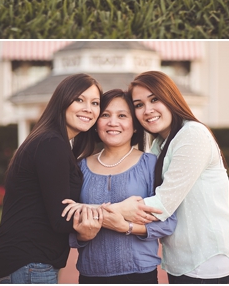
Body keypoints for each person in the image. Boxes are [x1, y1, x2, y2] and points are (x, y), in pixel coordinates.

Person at [69, 72, 229, 283]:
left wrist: (108, 218)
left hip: (205, 257)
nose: (147, 110)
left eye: (154, 99)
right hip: (178, 260)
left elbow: (163, 205)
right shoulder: (160, 145)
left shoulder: (191, 135)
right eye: (139, 104)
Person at [0, 73, 101, 284]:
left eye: (95, 103)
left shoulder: (51, 140)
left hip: (27, 261)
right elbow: (60, 219)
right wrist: (113, 213)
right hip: (29, 262)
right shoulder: (52, 143)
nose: (89, 108)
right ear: (62, 101)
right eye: (79, 99)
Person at [67, 89, 176, 284]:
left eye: (122, 116)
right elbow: (68, 219)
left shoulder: (151, 164)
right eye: (105, 115)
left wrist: (127, 227)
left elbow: (168, 222)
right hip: (91, 275)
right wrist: (82, 236)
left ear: (135, 126)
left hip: (139, 274)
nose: (113, 122)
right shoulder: (79, 168)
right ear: (95, 124)